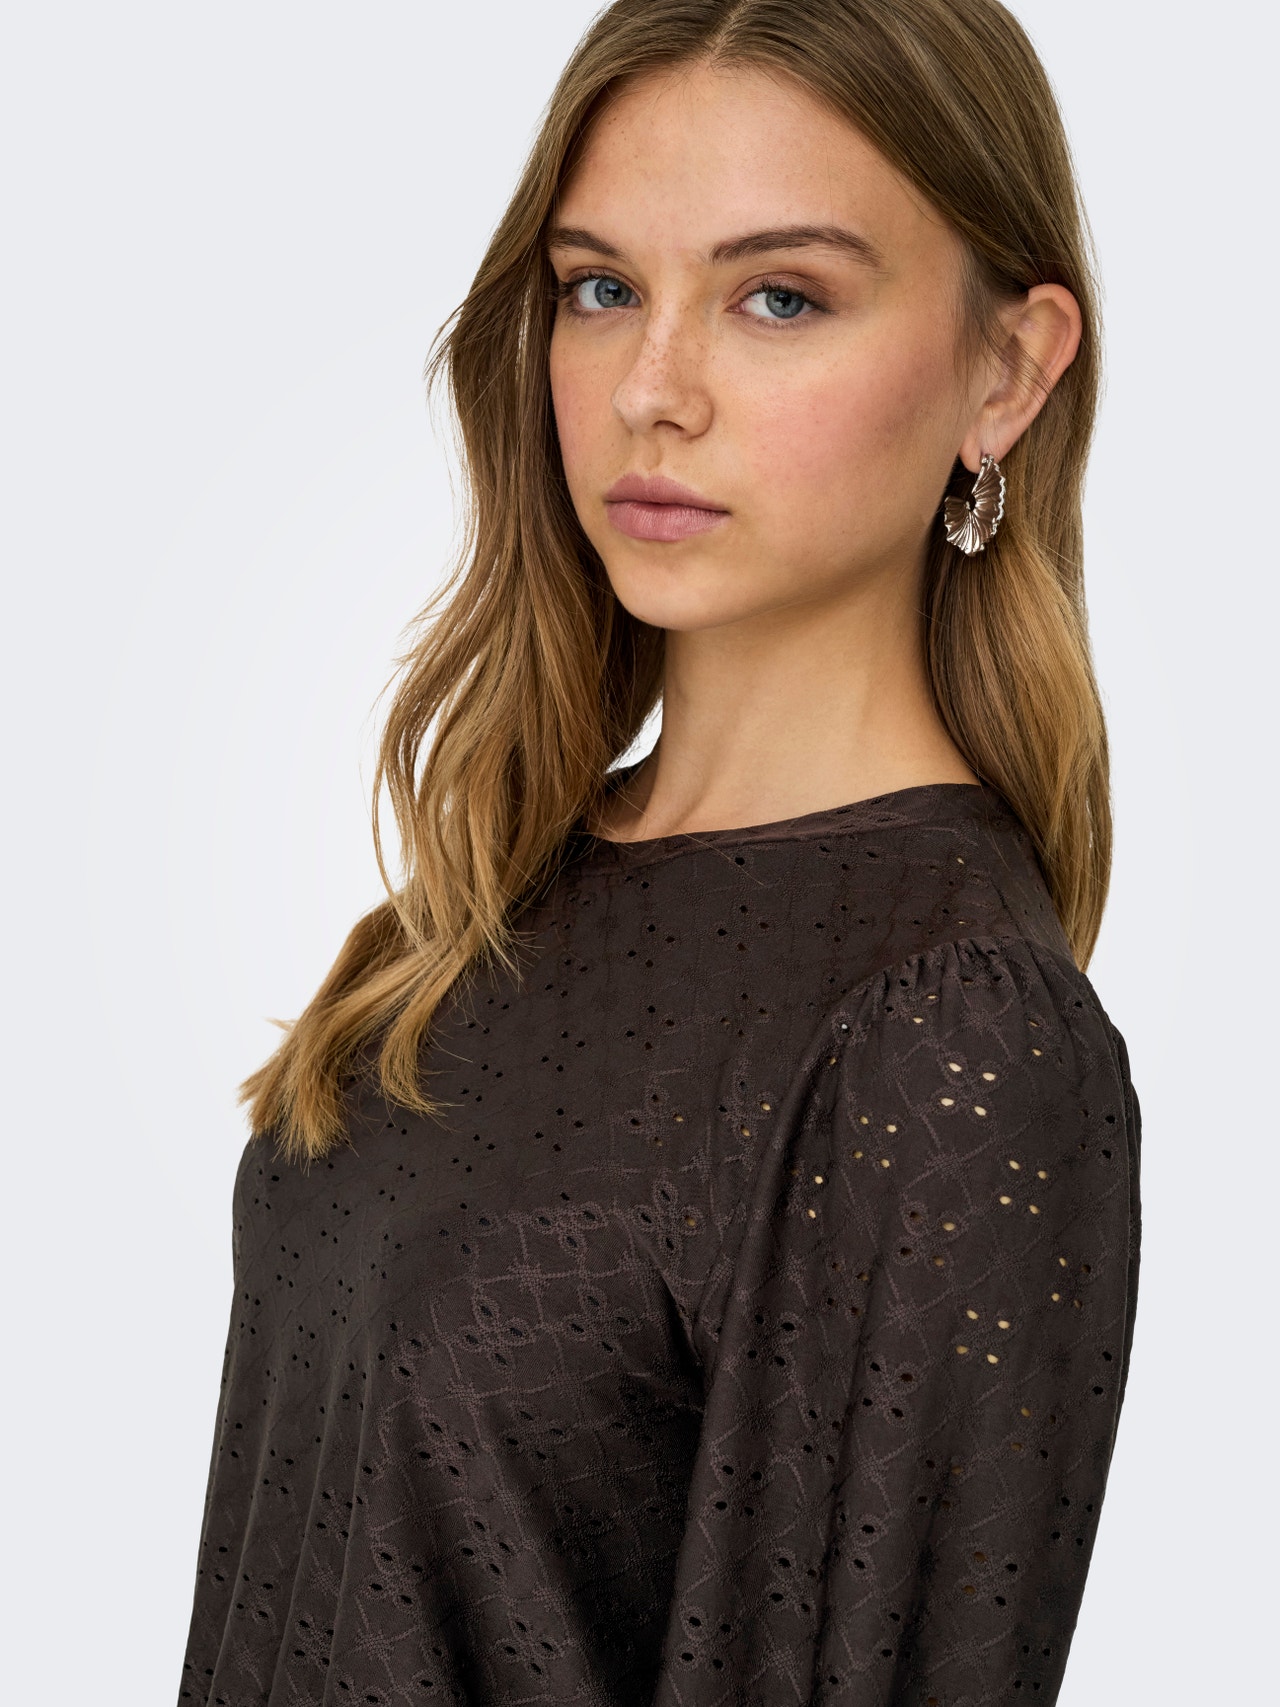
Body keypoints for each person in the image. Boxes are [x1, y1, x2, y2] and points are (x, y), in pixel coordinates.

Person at [177, 2, 1141, 1702]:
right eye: (601, 287)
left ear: (1007, 371)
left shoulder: (947, 1035)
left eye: (781, 298)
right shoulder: (484, 909)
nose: (649, 392)